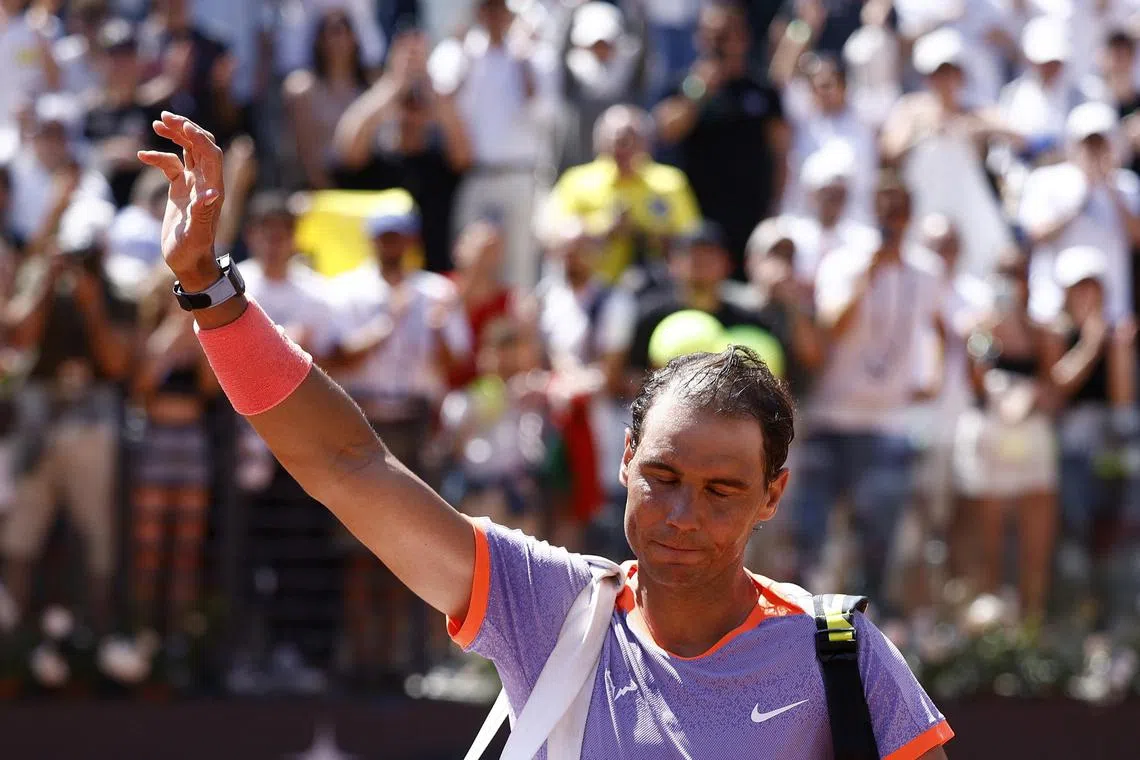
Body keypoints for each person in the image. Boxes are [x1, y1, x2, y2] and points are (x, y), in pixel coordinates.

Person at [139, 110, 953, 759]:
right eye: (663, 477)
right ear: (626, 460)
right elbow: (347, 463)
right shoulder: (548, 609)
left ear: (773, 495)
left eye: (721, 491)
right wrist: (209, 288)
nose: (681, 514)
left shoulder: (840, 654)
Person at [654, 0, 789, 280]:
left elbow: (780, 153)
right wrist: (699, 90)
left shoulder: (762, 91)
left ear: (743, 36)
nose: (718, 43)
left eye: (725, 34)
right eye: (711, 35)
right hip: (696, 220)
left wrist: (774, 208)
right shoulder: (683, 86)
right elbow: (667, 129)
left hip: (748, 220)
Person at [543, 104, 700, 285]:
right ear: (599, 143)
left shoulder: (669, 182)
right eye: (617, 141)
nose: (624, 149)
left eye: (632, 140)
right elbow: (552, 234)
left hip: (656, 287)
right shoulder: (577, 181)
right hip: (589, 287)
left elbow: (691, 237)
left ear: (647, 143)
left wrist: (647, 233)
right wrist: (604, 228)